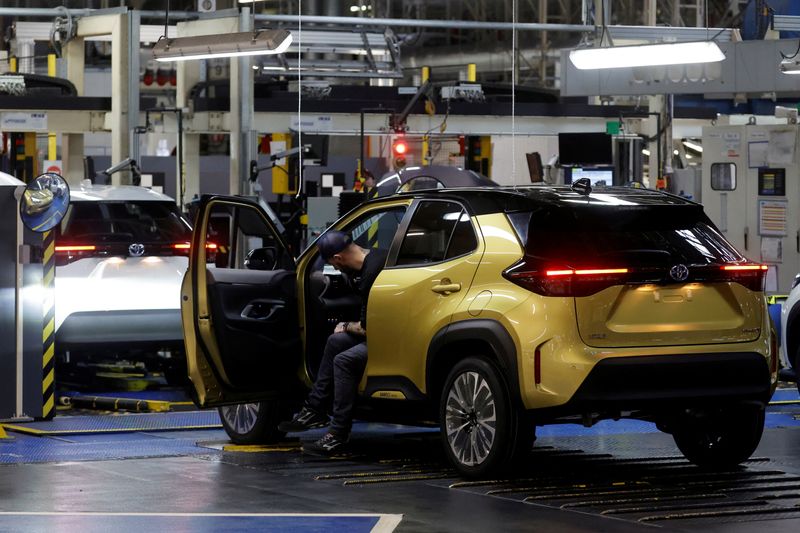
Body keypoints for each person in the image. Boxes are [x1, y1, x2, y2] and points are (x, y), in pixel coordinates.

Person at [278, 230, 387, 456]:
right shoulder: (376, 257)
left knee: (344, 360)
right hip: (385, 332)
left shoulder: (371, 274)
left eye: (333, 265)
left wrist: (346, 325)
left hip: (390, 340)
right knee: (336, 341)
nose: (336, 269)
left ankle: (338, 434)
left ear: (338, 258)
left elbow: (368, 329)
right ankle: (315, 408)